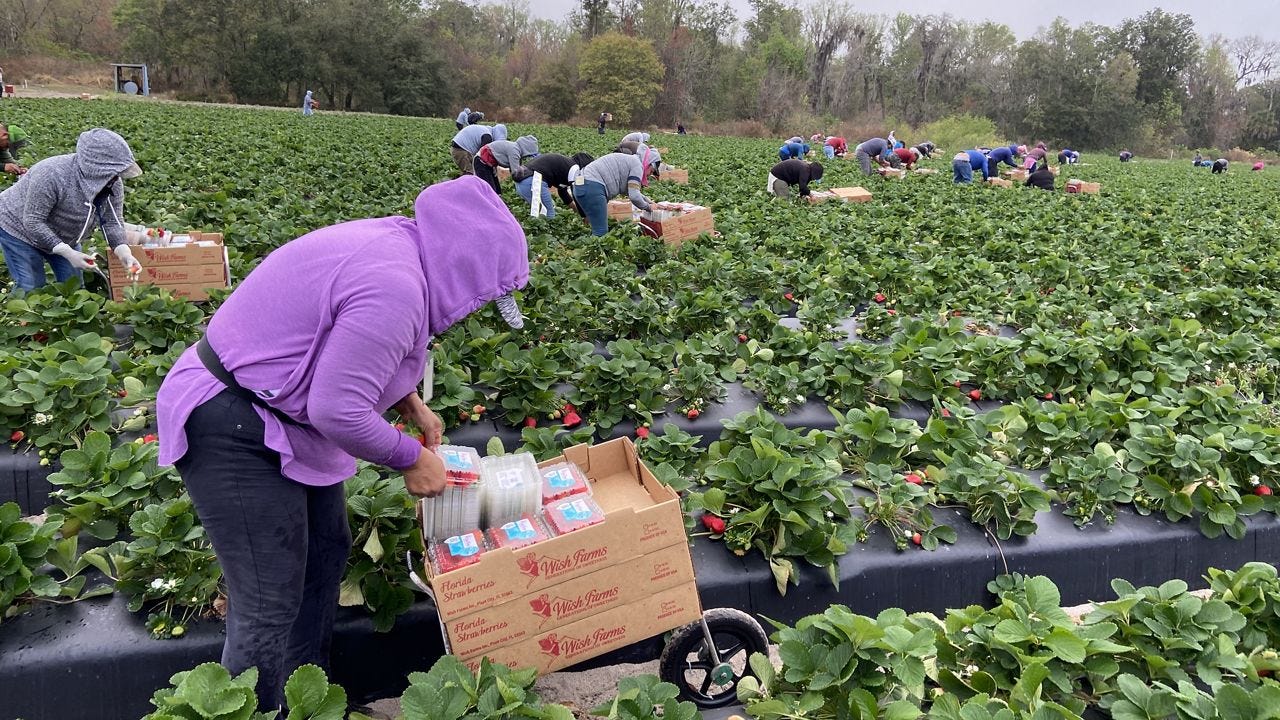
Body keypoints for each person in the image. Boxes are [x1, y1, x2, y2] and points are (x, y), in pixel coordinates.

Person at [155, 176, 527, 713]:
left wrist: (408, 402)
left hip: (277, 413)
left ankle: (306, 697)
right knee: (268, 600)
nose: (477, 308)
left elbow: (342, 342)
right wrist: (412, 457)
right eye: (483, 294)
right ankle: (252, 710)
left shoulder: (406, 248)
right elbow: (337, 409)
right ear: (464, 270)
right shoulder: (395, 286)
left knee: (326, 552)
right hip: (232, 422)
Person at [0, 128, 143, 292]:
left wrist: (123, 251)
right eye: (112, 171)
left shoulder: (113, 183)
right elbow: (33, 221)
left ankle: (69, 316)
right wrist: (67, 252)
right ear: (94, 168)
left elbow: (112, 221)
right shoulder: (51, 174)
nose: (116, 177)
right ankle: (22, 316)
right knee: (31, 285)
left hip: (65, 235)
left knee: (74, 286)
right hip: (17, 228)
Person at [571, 152, 653, 236]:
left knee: (596, 227)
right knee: (600, 231)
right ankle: (592, 248)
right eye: (651, 171)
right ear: (648, 164)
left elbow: (631, 191)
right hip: (592, 187)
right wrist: (649, 207)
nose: (650, 174)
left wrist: (649, 202)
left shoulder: (631, 160)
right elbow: (634, 196)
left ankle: (589, 245)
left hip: (579, 185)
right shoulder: (637, 166)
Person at [514, 152, 594, 219]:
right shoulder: (575, 169)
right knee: (549, 214)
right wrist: (584, 216)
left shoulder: (566, 167)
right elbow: (577, 194)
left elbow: (563, 192)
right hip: (534, 181)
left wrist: (575, 209)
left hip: (521, 183)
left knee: (540, 214)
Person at [474, 133, 539, 195]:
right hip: (481, 162)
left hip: (489, 164)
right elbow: (515, 173)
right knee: (490, 190)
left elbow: (516, 169)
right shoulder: (514, 151)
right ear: (527, 149)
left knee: (497, 190)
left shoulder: (516, 148)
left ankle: (497, 204)